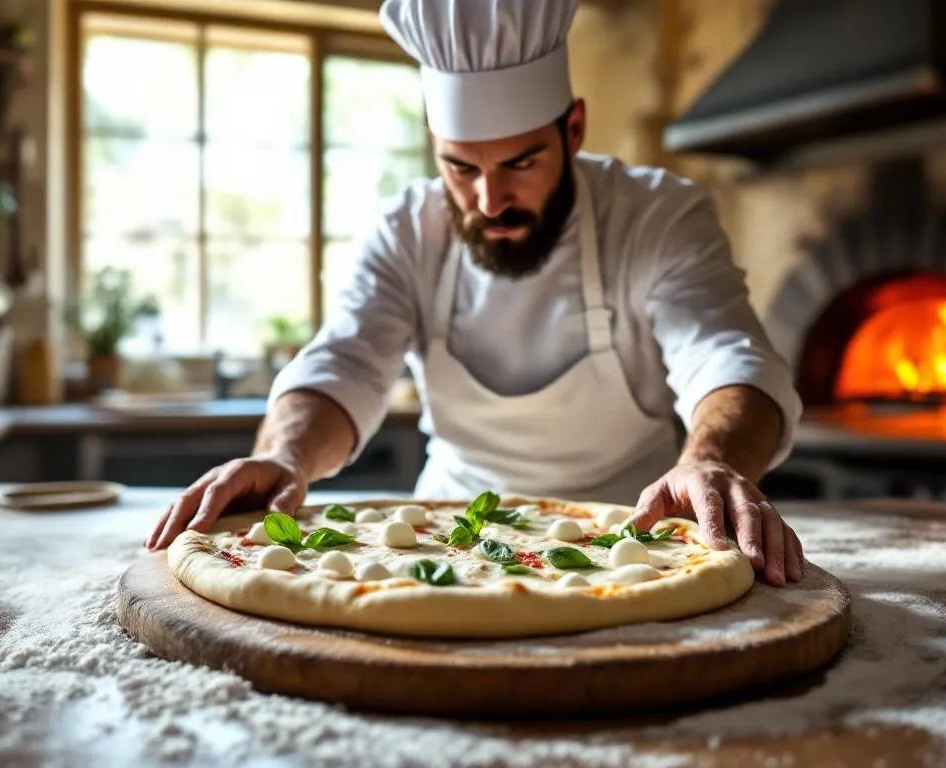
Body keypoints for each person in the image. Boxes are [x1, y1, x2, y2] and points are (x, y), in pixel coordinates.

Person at [148, 0, 806, 586]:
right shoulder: (407, 229)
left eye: (520, 163)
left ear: (573, 130)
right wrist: (283, 456)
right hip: (443, 542)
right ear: (434, 147)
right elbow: (346, 361)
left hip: (633, 545)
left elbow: (723, 353)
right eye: (461, 167)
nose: (490, 201)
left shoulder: (656, 215)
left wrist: (714, 461)